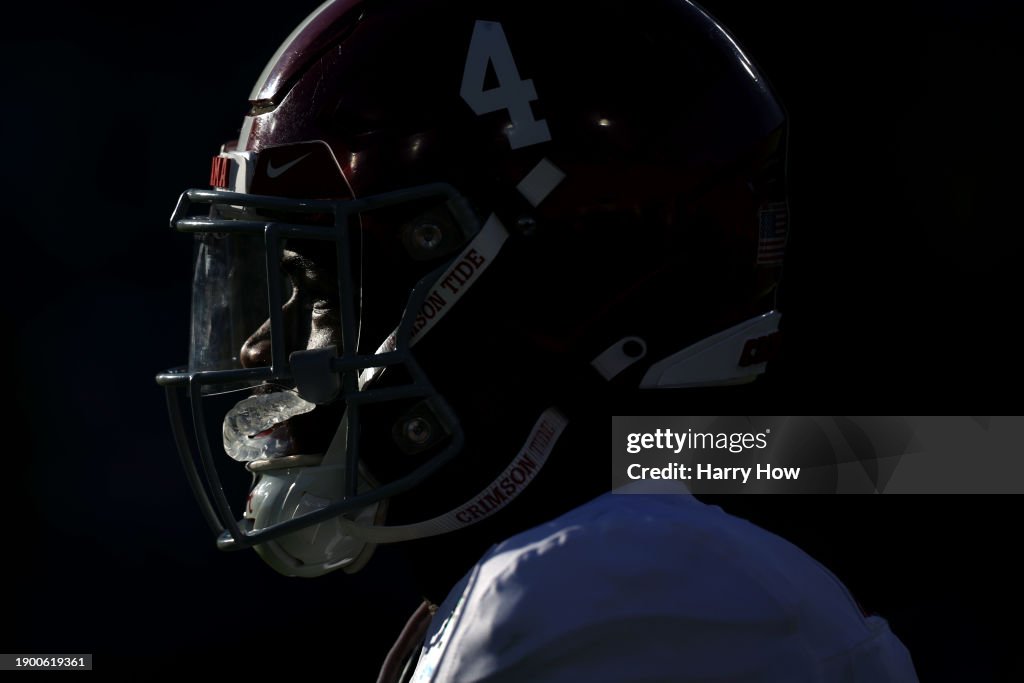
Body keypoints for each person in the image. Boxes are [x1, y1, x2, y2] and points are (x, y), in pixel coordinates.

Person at [156, 0, 918, 679]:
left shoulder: (615, 590)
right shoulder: (560, 587)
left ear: (533, 285)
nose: (259, 348)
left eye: (320, 282)